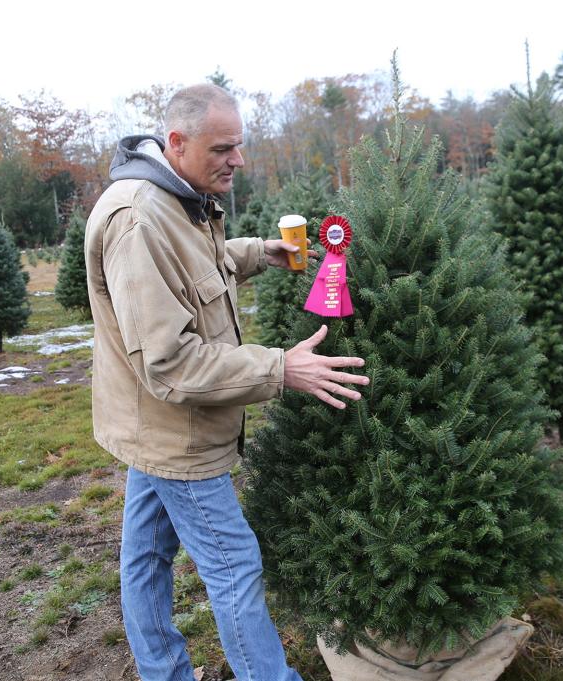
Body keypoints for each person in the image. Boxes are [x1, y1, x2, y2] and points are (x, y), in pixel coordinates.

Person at [84, 83, 369, 681]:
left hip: (151, 426)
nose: (236, 160)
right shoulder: (139, 218)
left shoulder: (178, 195)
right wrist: (280, 367)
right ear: (178, 142)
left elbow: (198, 266)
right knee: (234, 565)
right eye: (223, 149)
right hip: (175, 432)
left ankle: (161, 672)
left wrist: (261, 253)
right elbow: (170, 363)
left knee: (145, 557)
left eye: (239, 146)